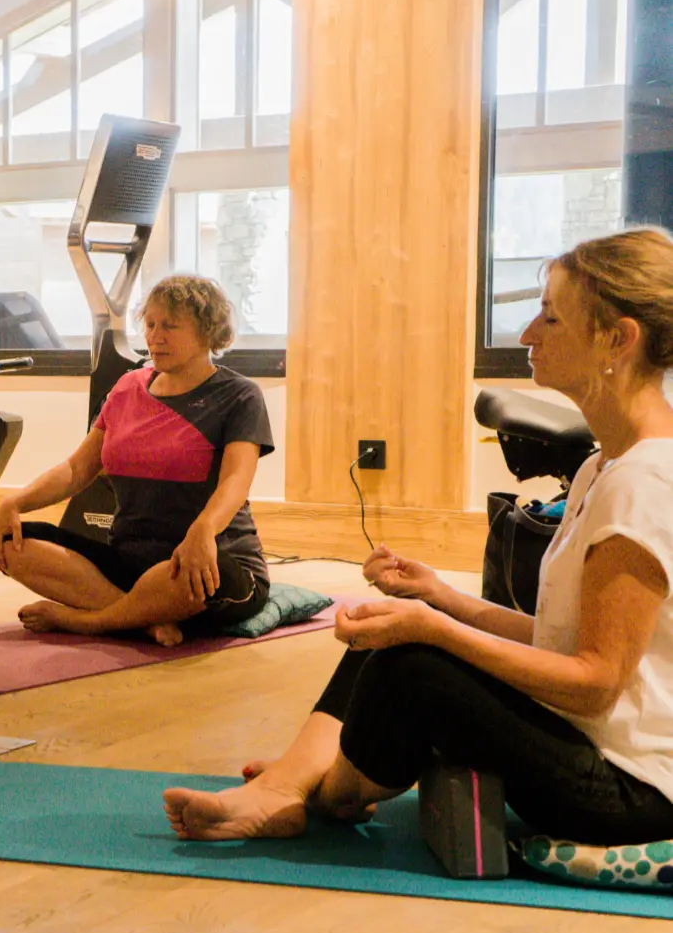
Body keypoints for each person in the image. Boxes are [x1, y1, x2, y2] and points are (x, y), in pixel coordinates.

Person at [165, 228, 673, 847]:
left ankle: (321, 789)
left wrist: (437, 630)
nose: (527, 334)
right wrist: (439, 598)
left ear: (618, 339)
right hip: (595, 749)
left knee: (416, 664)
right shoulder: (604, 466)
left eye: (551, 317)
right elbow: (559, 640)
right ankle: (296, 782)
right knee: (400, 625)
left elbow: (593, 683)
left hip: (628, 790)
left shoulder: (642, 483)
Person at [0, 274, 274, 647]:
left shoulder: (239, 396)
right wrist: (14, 502)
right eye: (150, 324)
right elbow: (76, 469)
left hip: (211, 562)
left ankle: (89, 621)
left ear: (207, 331)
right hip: (128, 560)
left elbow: (236, 480)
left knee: (174, 576)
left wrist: (203, 530)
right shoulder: (127, 388)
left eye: (170, 325)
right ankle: (139, 619)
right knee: (11, 541)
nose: (155, 336)